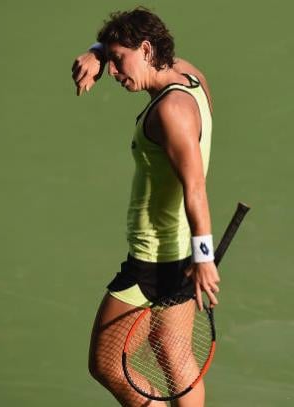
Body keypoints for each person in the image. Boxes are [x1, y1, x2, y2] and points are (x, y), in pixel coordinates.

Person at [71, 7, 220, 407]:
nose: (115, 73)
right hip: (180, 251)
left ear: (147, 49)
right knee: (174, 357)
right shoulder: (189, 77)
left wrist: (205, 257)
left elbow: (195, 189)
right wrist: (98, 51)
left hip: (154, 260)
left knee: (105, 364)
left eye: (120, 61)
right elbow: (124, 49)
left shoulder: (171, 111)